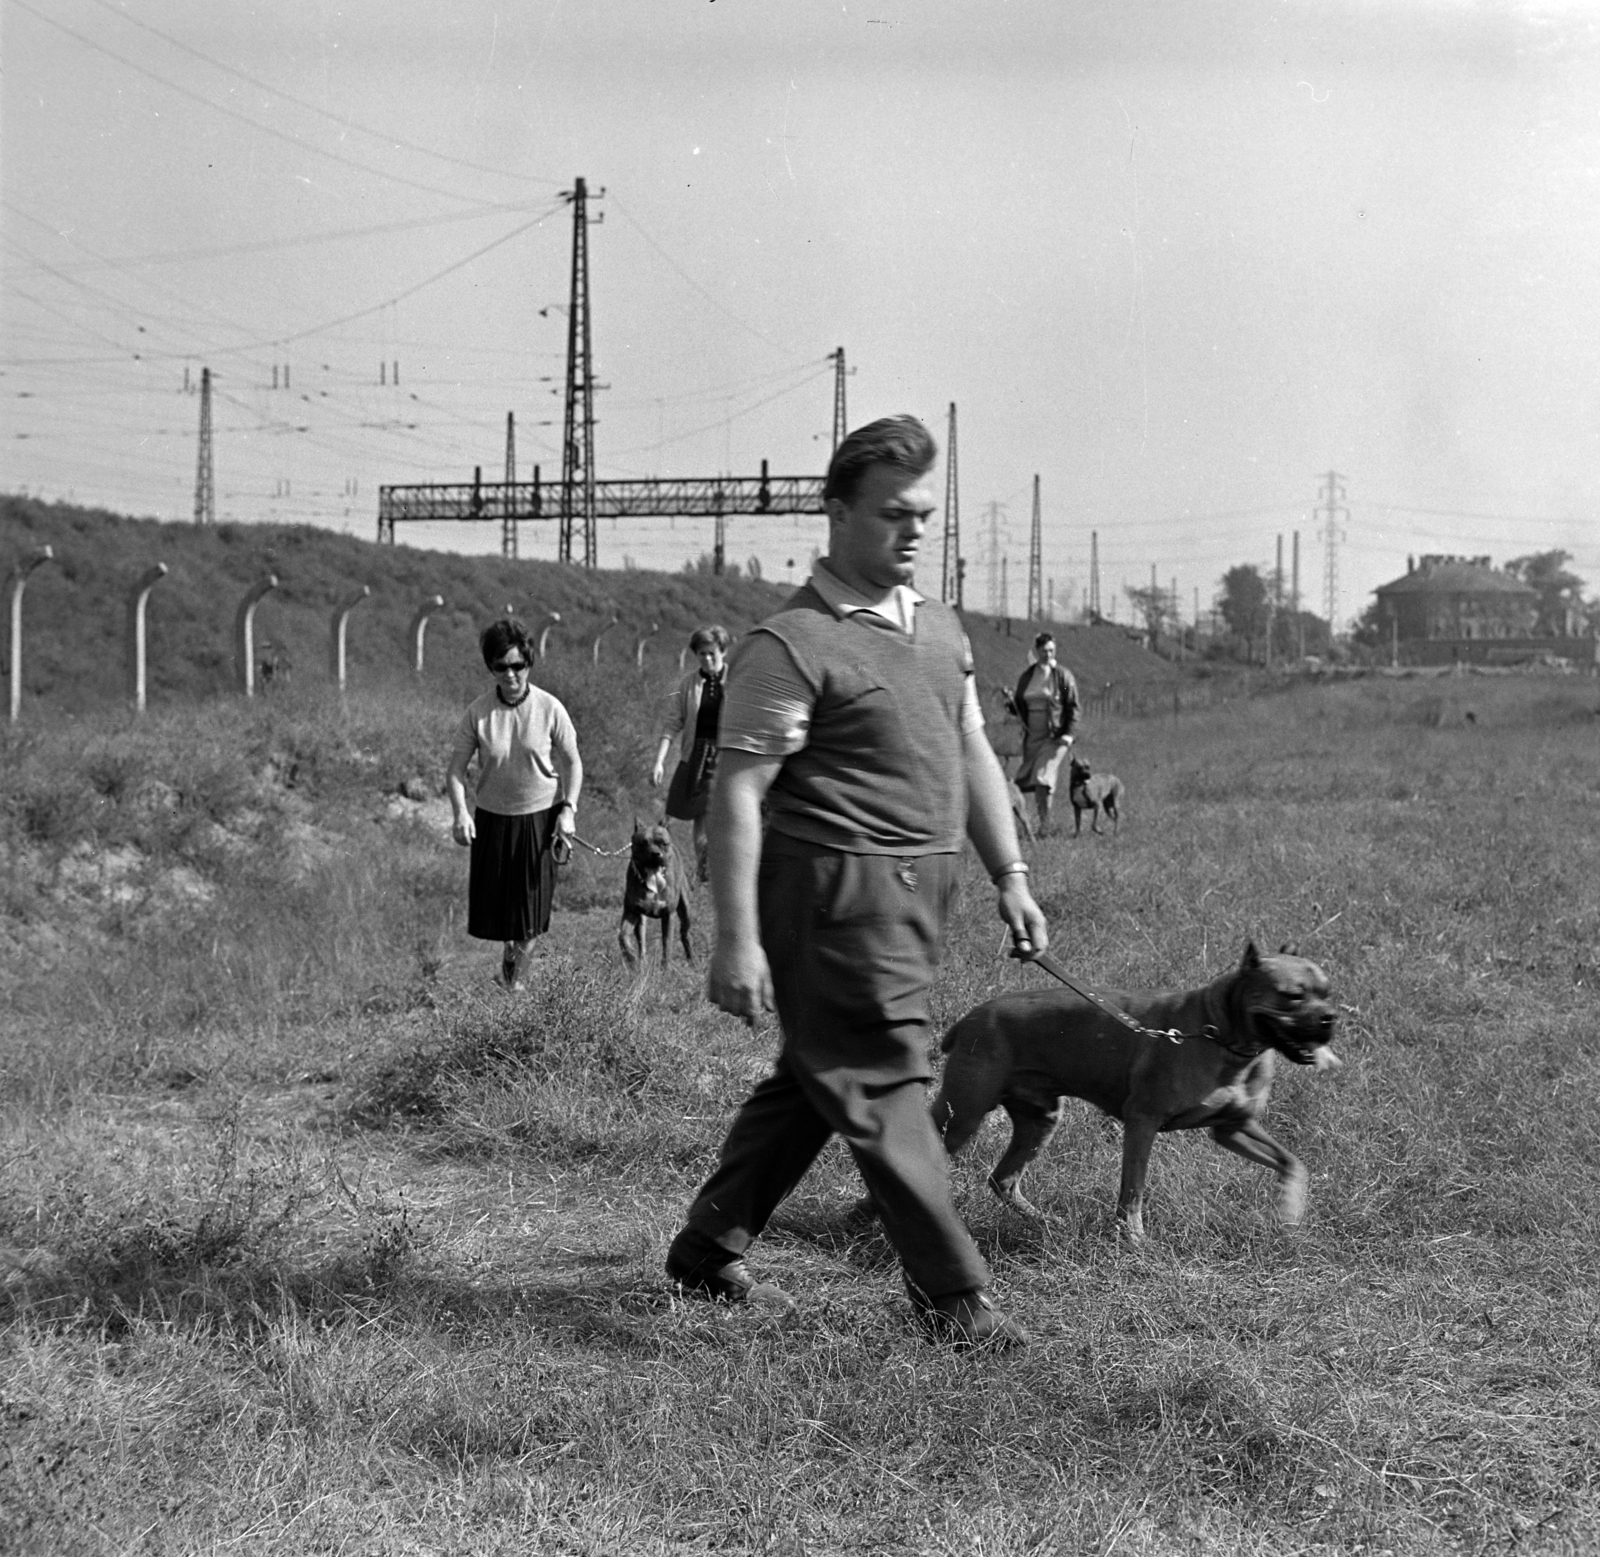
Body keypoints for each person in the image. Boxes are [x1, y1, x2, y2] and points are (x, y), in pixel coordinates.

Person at [664, 416, 1049, 1349]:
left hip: (920, 902)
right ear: (835, 513)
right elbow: (740, 795)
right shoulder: (788, 644)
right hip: (830, 900)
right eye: (890, 514)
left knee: (819, 1069)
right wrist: (736, 938)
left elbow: (970, 752)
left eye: (923, 513)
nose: (912, 531)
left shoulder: (942, 632)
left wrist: (1011, 872)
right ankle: (954, 1299)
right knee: (883, 1081)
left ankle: (708, 1243)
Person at [447, 618, 582, 992]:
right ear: (490, 667)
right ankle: (511, 963)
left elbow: (572, 761)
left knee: (531, 915)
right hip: (493, 820)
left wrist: (568, 809)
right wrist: (460, 813)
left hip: (540, 821)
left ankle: (514, 987)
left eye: (517, 666)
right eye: (500, 667)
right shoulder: (478, 713)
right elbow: (455, 772)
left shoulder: (550, 708)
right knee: (504, 917)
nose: (510, 675)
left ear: (529, 663)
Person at [651, 624, 731, 884]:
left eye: (712, 654)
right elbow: (673, 722)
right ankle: (704, 872)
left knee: (721, 816)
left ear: (723, 652)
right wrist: (659, 760)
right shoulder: (688, 684)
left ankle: (721, 872)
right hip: (696, 756)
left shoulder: (737, 680)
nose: (707, 659)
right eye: (701, 654)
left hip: (727, 757)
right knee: (700, 815)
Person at [1010, 632, 1080, 835]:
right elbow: (1019, 703)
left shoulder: (1063, 677)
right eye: (1044, 651)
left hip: (1055, 736)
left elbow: (1072, 704)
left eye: (1051, 650)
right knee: (1030, 781)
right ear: (1037, 651)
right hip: (1032, 736)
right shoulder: (1027, 677)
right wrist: (1010, 704)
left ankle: (1044, 827)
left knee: (1043, 777)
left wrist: (1069, 733)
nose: (1048, 654)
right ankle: (1042, 826)